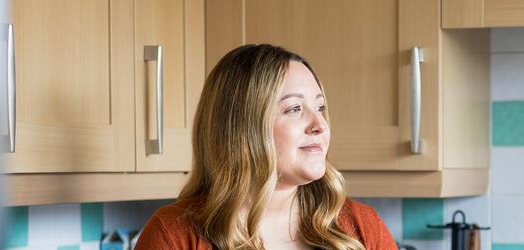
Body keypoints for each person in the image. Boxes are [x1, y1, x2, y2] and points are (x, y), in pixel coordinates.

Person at [135, 44, 397, 250]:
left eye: (320, 107)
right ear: (241, 126)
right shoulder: (173, 235)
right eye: (294, 109)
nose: (320, 125)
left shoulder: (361, 226)